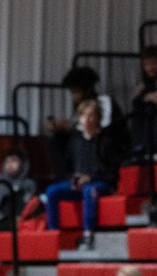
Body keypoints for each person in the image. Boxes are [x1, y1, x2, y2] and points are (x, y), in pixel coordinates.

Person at [43, 99, 118, 248]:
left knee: (89, 191)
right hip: (78, 184)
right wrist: (73, 178)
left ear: (98, 118)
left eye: (91, 115)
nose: (87, 120)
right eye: (84, 116)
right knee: (52, 191)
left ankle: (88, 234)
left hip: (99, 182)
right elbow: (68, 166)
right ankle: (54, 233)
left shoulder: (106, 141)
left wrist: (90, 178)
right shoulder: (75, 139)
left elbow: (112, 172)